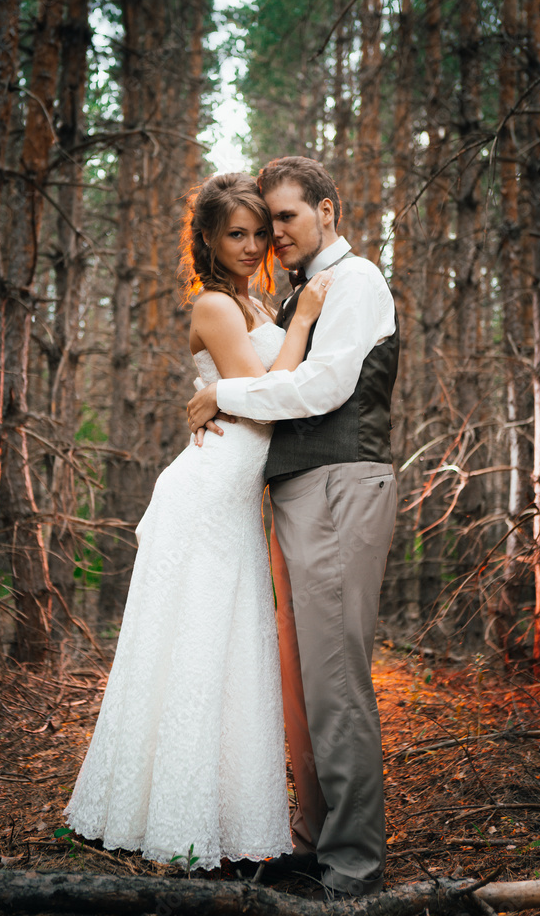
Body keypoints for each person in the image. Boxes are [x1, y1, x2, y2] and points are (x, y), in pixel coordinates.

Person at [63, 173, 335, 871]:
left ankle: (222, 819)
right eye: (234, 234)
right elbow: (262, 398)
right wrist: (299, 323)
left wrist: (234, 381)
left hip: (235, 496)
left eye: (256, 233)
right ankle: (168, 818)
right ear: (207, 240)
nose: (250, 246)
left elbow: (249, 388)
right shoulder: (215, 303)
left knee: (228, 648)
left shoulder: (249, 298)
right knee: (195, 643)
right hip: (207, 494)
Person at [186, 156, 399, 898]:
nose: (274, 233)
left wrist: (227, 393)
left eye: (286, 217)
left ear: (327, 212)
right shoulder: (302, 291)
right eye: (264, 220)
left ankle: (351, 865)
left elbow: (323, 385)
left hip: (342, 482)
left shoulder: (356, 280)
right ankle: (315, 843)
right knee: (310, 680)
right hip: (306, 488)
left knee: (336, 680)